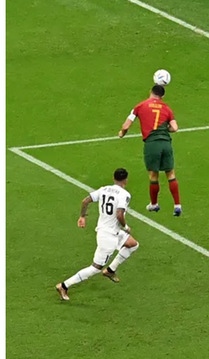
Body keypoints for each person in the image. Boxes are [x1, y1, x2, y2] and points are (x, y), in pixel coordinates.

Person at [55, 168, 140, 301]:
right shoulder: (125, 195)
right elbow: (119, 214)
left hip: (111, 231)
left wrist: (82, 216)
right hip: (108, 236)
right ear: (126, 180)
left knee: (133, 244)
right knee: (95, 268)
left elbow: (85, 201)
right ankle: (64, 285)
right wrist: (126, 227)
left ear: (113, 178)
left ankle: (110, 271)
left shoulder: (103, 189)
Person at [118, 85, 182, 216]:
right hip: (166, 143)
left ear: (150, 92)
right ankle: (177, 205)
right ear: (162, 96)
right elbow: (174, 128)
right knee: (170, 174)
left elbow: (126, 125)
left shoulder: (140, 106)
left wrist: (121, 133)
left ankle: (154, 204)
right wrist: (165, 129)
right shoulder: (167, 108)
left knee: (153, 175)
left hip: (152, 144)